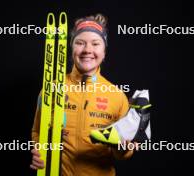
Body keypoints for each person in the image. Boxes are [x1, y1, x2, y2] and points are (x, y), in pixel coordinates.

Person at [30, 13, 134, 176]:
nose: (87, 50)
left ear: (104, 51)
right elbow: (37, 131)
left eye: (95, 43)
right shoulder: (51, 89)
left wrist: (123, 148)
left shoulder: (117, 96)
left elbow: (125, 153)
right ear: (71, 49)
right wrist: (38, 150)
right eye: (80, 43)